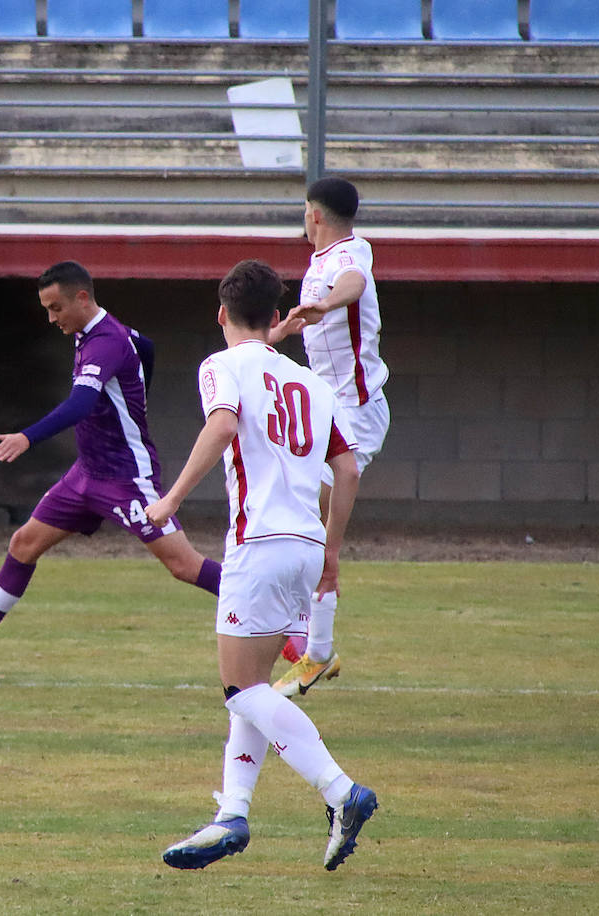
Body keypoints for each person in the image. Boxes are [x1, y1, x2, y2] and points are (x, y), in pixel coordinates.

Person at [144, 258, 377, 872]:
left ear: (221, 314)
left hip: (258, 543)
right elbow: (348, 469)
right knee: (247, 688)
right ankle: (232, 814)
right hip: (304, 545)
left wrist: (170, 498)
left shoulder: (221, 365)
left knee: (240, 688)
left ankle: (340, 791)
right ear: (278, 317)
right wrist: (331, 550)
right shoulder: (311, 382)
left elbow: (222, 425)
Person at [0, 260, 222, 668]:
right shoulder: (95, 333)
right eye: (47, 309)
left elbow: (81, 404)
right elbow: (145, 345)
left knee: (184, 566)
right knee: (23, 544)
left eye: (56, 308)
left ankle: (289, 623)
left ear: (82, 298)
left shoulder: (106, 341)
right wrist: (135, 396)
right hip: (86, 474)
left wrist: (27, 436)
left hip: (126, 477)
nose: (51, 318)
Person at [267, 176, 390, 697]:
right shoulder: (317, 264)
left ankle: (313, 650)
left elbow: (354, 285)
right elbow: (319, 317)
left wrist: (326, 306)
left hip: (356, 409)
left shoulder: (350, 253)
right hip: (326, 406)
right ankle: (310, 646)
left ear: (313, 214)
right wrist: (283, 332)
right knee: (293, 520)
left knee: (314, 535)